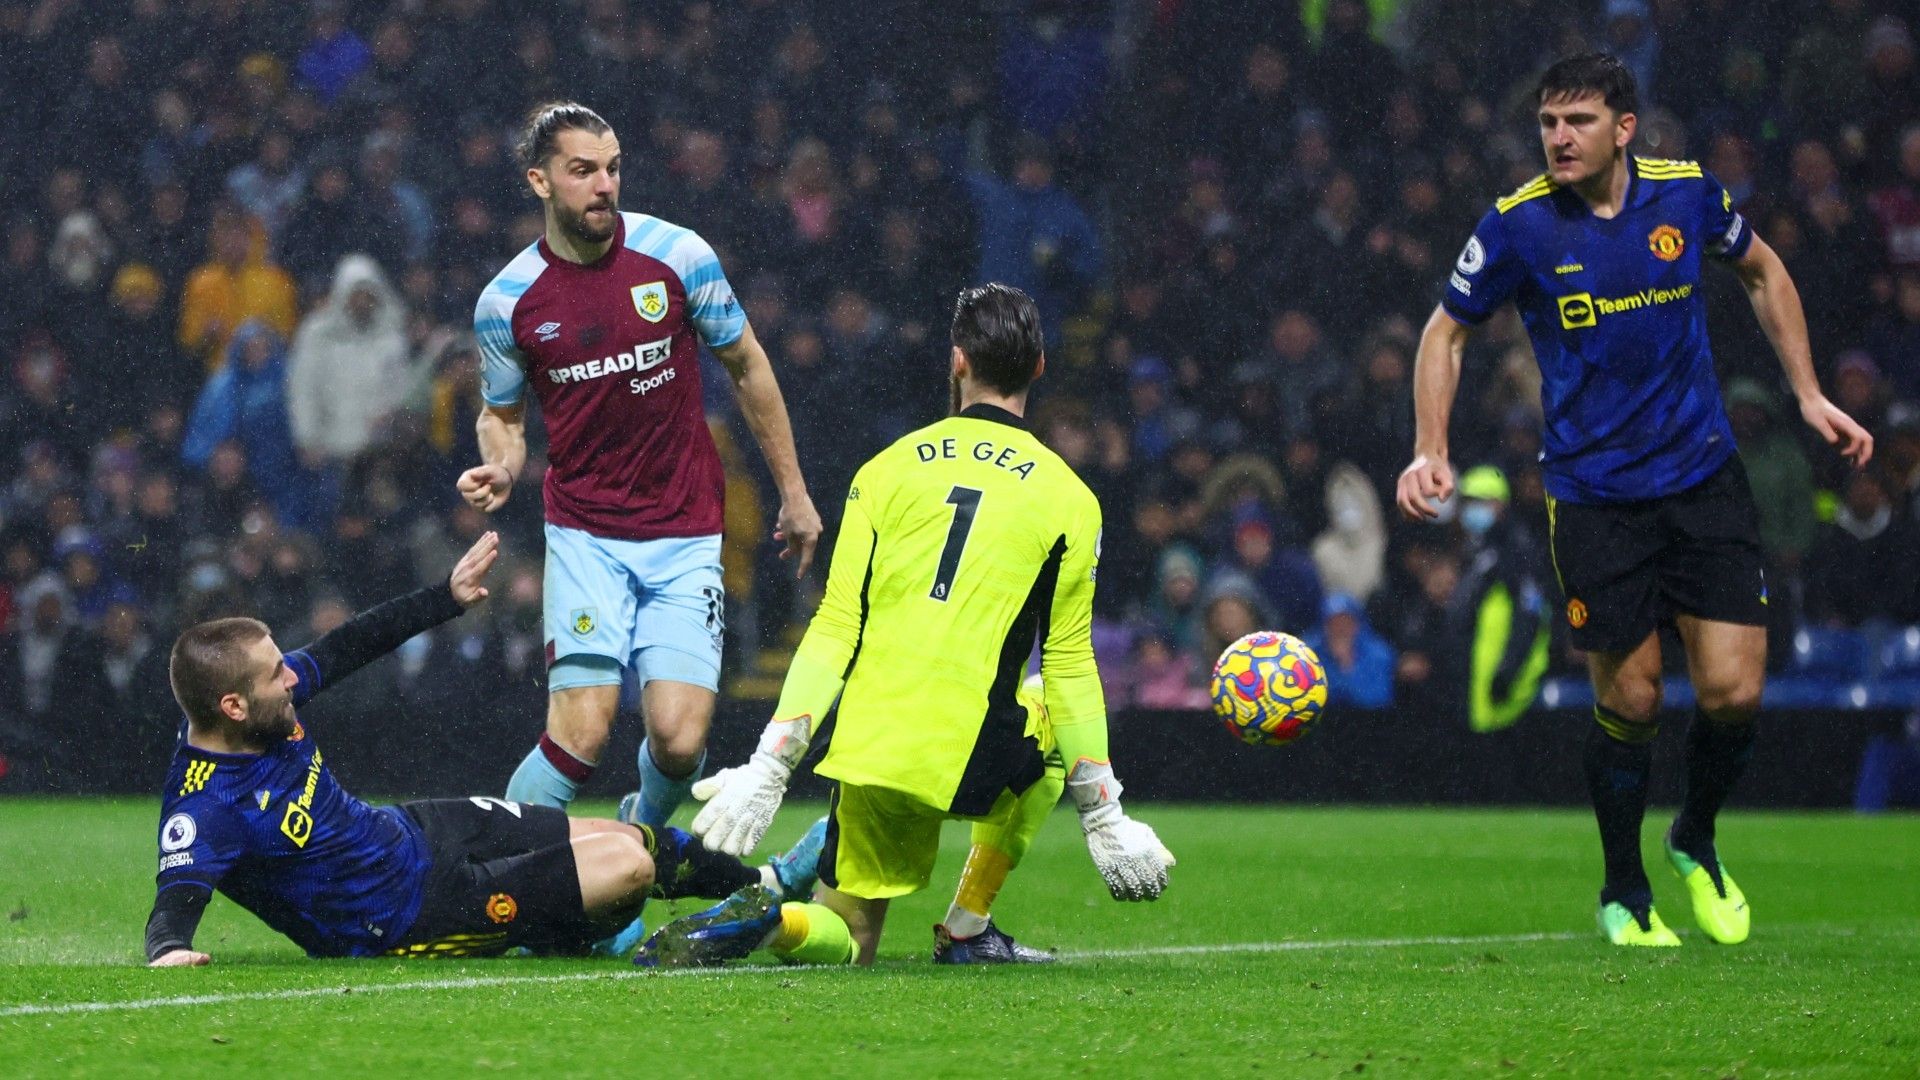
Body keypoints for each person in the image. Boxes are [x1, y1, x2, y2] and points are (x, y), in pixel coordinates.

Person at [1396, 54, 1873, 947]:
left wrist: (1807, 394)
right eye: (1547, 123)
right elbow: (1444, 332)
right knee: (1636, 702)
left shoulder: (1686, 195)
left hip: (1703, 478)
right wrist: (1431, 448)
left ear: (1625, 128)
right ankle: (1624, 888)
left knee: (1733, 692)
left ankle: (1695, 833)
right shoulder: (1517, 225)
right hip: (1594, 498)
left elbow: (1764, 271)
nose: (1558, 138)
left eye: (1577, 121)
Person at [633, 284, 1174, 969]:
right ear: (1039, 366)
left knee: (852, 936)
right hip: (975, 749)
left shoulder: (884, 470)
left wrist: (772, 764)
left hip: (872, 742)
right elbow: (1069, 664)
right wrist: (1104, 814)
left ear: (956, 362)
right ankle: (969, 926)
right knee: (1042, 697)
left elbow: (835, 626)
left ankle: (781, 925)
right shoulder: (1071, 496)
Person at [144, 531, 825, 967]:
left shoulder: (260, 704)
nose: (293, 675)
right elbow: (174, 901)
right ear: (232, 706)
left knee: (627, 837)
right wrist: (171, 950)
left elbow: (350, 644)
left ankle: (761, 891)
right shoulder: (206, 806)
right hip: (405, 914)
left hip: (414, 829)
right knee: (626, 865)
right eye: (275, 675)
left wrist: (443, 597)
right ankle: (597, 932)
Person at [458, 103, 822, 835]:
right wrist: (500, 464)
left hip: (686, 531)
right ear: (540, 180)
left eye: (613, 168)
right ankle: (500, 872)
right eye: (583, 170)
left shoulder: (677, 256)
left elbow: (747, 365)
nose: (604, 186)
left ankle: (641, 827)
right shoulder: (507, 301)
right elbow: (502, 414)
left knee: (680, 743)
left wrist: (794, 492)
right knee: (581, 733)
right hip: (586, 534)